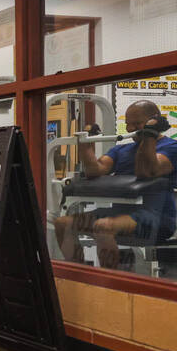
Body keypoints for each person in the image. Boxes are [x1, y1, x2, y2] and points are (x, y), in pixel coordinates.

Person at [54, 100, 177, 269]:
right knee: (63, 223)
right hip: (118, 214)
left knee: (103, 227)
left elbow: (147, 171)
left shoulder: (171, 147)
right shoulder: (121, 150)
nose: (130, 130)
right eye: (128, 124)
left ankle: (110, 282)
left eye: (136, 124)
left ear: (153, 120)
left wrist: (149, 134)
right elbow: (95, 170)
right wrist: (85, 144)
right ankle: (81, 275)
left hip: (155, 219)